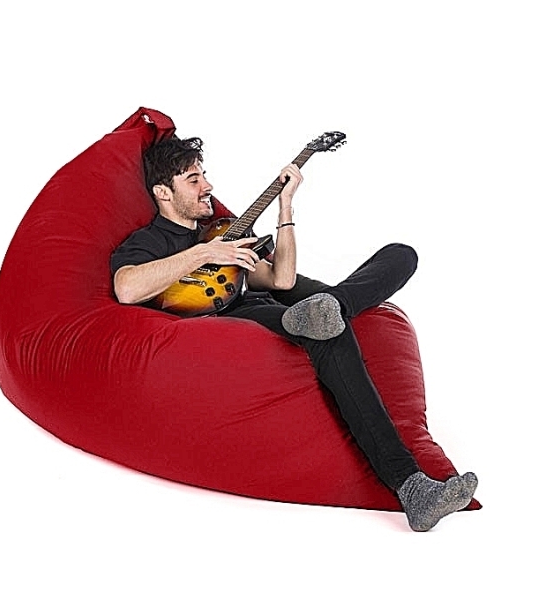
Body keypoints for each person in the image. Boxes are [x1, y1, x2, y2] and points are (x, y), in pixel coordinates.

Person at [110, 136, 478, 532]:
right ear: (163, 193)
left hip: (265, 308)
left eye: (205, 176)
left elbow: (280, 280)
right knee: (327, 330)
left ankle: (333, 305)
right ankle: (410, 484)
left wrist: (285, 207)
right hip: (225, 324)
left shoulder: (221, 230)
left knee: (401, 255)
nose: (208, 186)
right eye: (193, 179)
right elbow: (127, 288)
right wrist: (206, 253)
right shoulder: (149, 242)